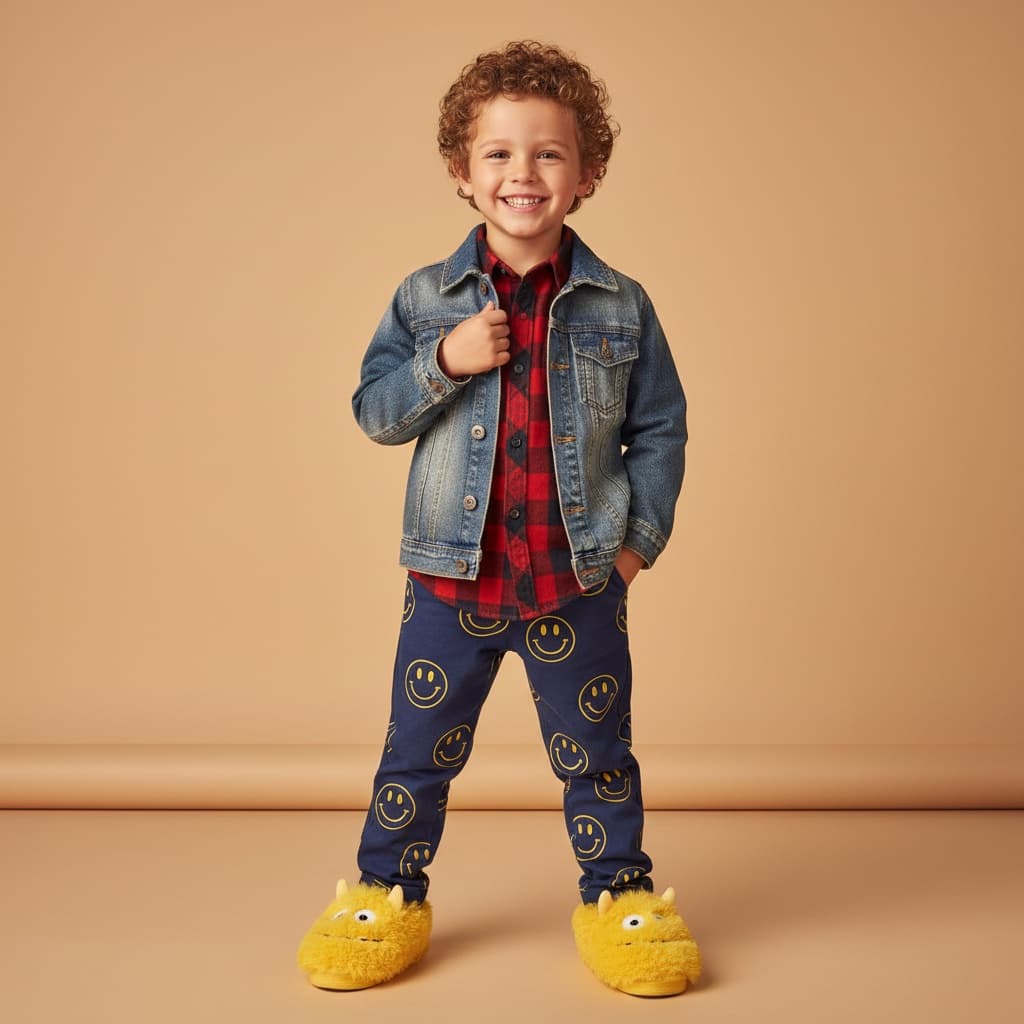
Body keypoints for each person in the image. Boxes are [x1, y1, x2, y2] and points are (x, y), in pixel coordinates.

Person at [296, 40, 700, 997]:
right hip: (451, 584)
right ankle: (385, 892)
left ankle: (621, 897)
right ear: (462, 172)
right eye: (499, 153)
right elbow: (374, 413)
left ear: (587, 173)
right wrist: (445, 362)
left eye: (550, 153)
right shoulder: (423, 298)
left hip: (577, 583)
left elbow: (661, 428)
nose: (524, 173)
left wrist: (633, 551)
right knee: (415, 754)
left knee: (598, 759)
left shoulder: (622, 305)